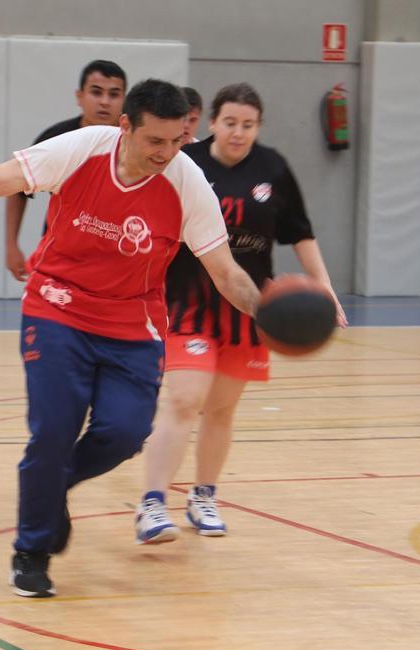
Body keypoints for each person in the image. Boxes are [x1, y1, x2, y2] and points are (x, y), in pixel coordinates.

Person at [0, 79, 262, 598]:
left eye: (176, 141)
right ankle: (31, 550)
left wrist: (267, 314)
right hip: (57, 306)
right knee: (53, 430)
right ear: (125, 127)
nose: (166, 153)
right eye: (154, 141)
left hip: (132, 324)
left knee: (125, 433)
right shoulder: (79, 150)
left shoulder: (187, 182)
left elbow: (225, 272)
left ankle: (54, 484)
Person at [136, 83, 348, 543]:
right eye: (230, 122)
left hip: (249, 308)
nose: (238, 132)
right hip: (188, 302)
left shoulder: (274, 169)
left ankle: (203, 496)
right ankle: (152, 504)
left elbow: (300, 233)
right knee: (184, 399)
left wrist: (325, 287)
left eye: (248, 125)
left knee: (221, 409)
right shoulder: (185, 163)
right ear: (212, 122)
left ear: (259, 127)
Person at [4, 60, 127, 281]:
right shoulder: (57, 138)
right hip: (59, 254)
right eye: (96, 92)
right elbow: (17, 189)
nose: (105, 101)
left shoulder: (135, 142)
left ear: (124, 100)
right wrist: (11, 244)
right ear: (80, 96)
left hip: (116, 256)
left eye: (114, 94)